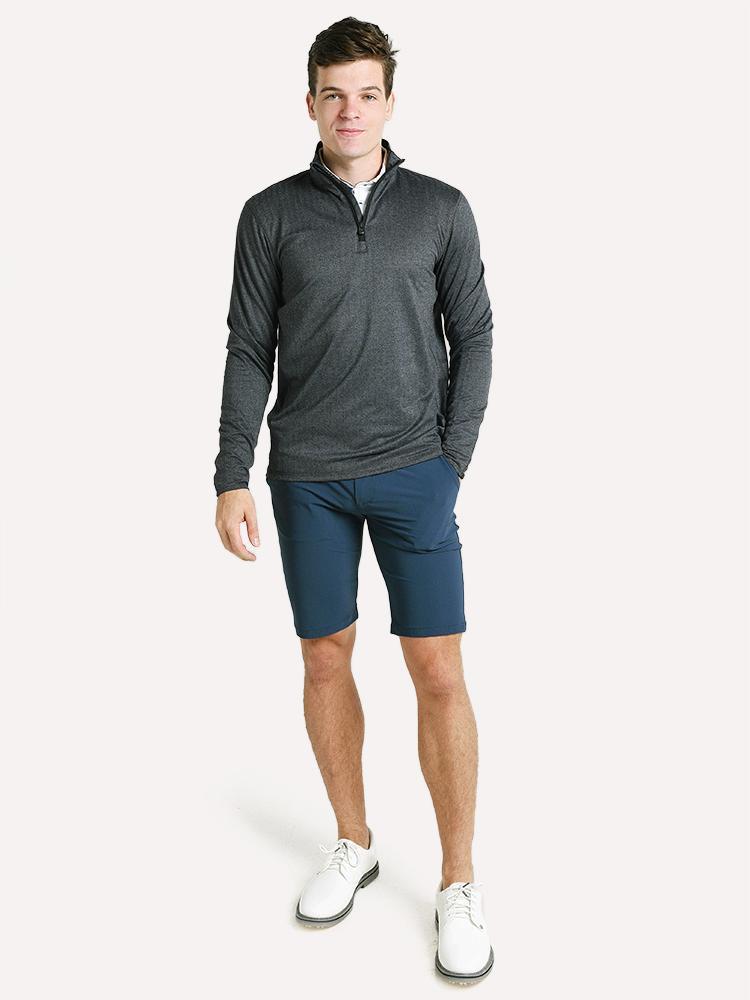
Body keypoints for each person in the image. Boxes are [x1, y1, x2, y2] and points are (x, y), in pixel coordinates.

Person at [213, 17, 494, 984]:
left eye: (366, 94)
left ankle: (458, 882)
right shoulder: (270, 215)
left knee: (439, 671)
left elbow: (476, 334)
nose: (350, 111)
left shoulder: (441, 208)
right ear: (310, 103)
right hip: (308, 478)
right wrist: (231, 472)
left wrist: (451, 460)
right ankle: (354, 841)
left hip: (417, 472)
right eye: (333, 94)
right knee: (325, 655)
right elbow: (248, 346)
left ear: (389, 103)